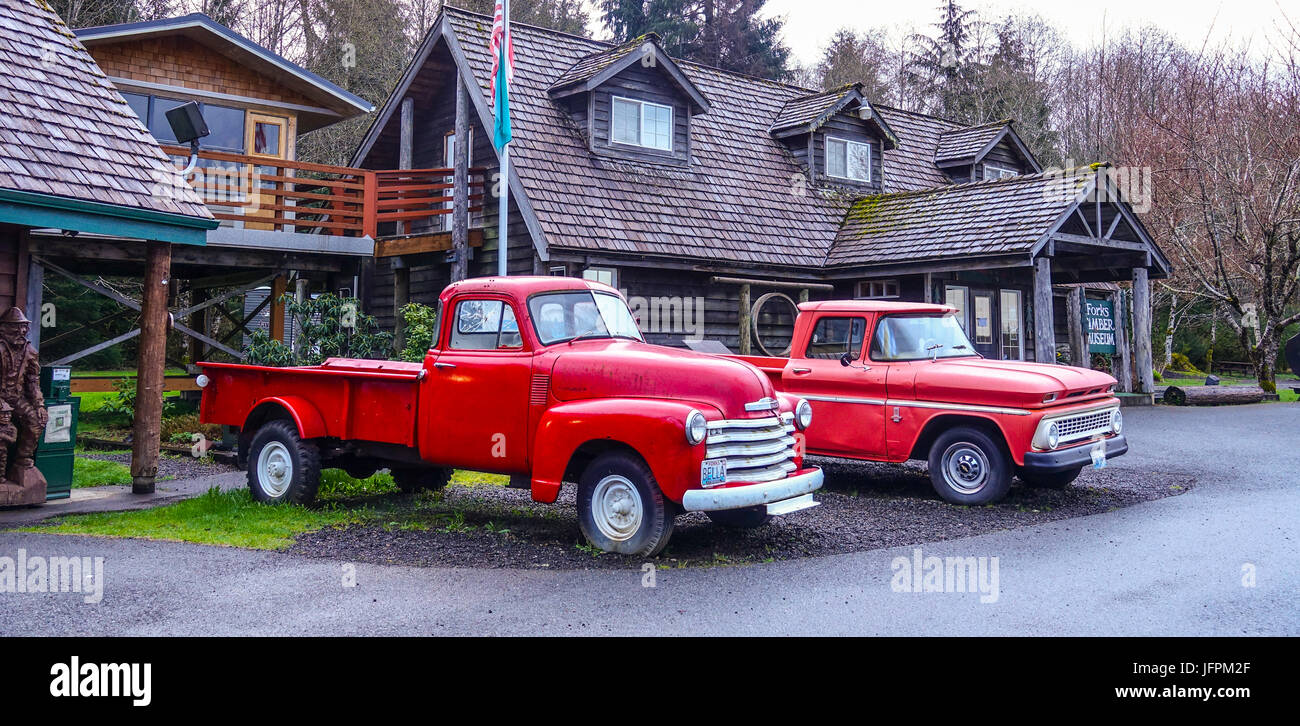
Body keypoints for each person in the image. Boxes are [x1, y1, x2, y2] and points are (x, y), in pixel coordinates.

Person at [0, 307, 48, 470]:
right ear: (3, 328)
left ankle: (22, 458)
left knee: (36, 420)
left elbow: (33, 381)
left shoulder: (30, 352)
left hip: (15, 397)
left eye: (24, 327)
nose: (21, 331)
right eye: (16, 327)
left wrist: (39, 404)